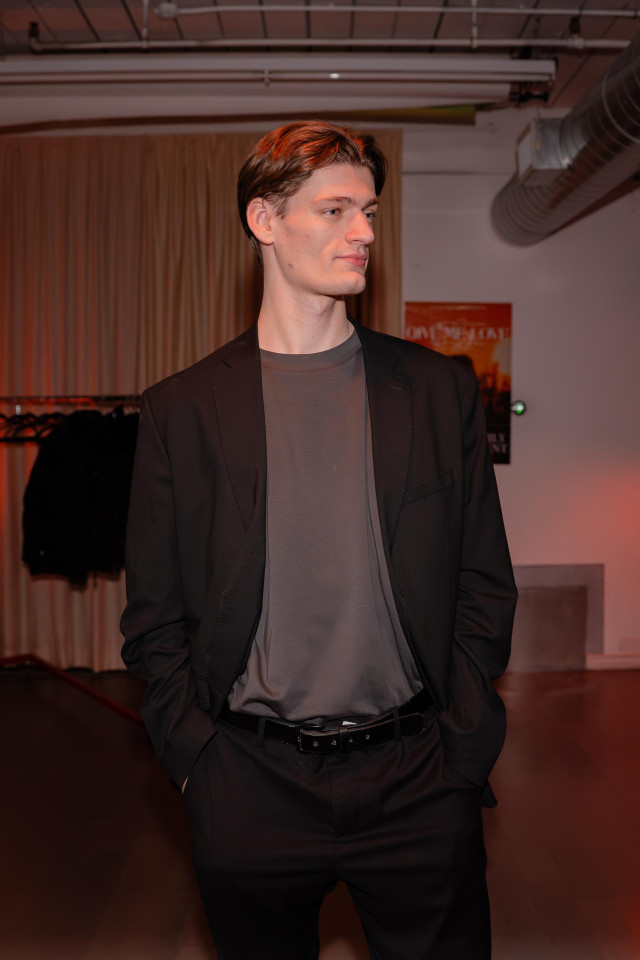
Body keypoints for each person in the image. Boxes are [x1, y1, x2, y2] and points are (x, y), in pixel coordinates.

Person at [121, 120, 517, 960]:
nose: (364, 231)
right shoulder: (181, 410)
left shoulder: (438, 391)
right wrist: (195, 759)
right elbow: (154, 617)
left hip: (420, 776)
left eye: (369, 211)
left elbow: (484, 582)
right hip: (248, 782)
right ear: (264, 219)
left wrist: (464, 744)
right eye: (336, 210)